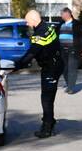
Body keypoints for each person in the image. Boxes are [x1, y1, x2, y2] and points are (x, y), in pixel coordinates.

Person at [17, 9, 65, 138]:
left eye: (27, 21)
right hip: (55, 64)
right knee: (49, 96)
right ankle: (49, 120)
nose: (27, 24)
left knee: (46, 98)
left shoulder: (40, 34)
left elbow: (32, 53)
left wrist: (18, 65)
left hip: (52, 68)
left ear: (33, 20)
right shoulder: (48, 27)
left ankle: (47, 127)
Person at [58, 7, 82, 94]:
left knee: (72, 69)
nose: (61, 16)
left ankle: (71, 88)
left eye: (62, 14)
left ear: (68, 14)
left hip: (73, 49)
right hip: (62, 50)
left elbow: (81, 38)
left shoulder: (77, 24)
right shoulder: (60, 24)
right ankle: (69, 84)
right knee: (64, 69)